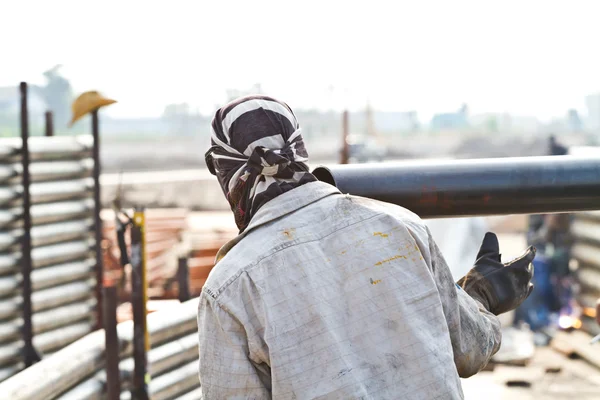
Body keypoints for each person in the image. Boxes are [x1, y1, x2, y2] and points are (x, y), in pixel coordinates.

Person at [198, 95, 535, 399]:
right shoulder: (401, 226)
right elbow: (469, 350)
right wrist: (482, 297)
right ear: (299, 150)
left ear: (227, 173)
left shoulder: (230, 286)